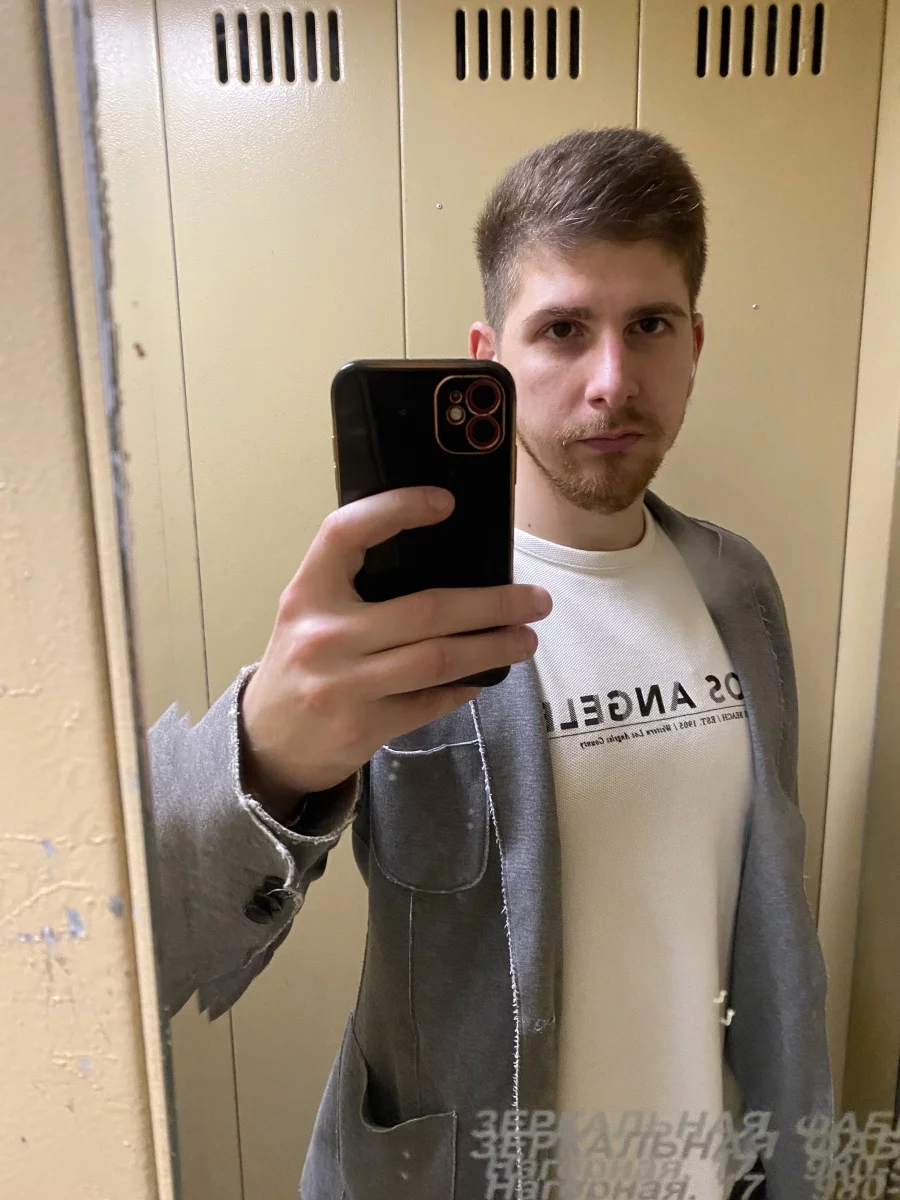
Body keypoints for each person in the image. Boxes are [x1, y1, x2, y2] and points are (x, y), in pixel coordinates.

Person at [148, 128, 833, 1200]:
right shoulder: (400, 609)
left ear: (695, 342)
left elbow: (772, 922)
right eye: (562, 329)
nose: (612, 381)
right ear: (489, 360)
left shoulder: (738, 588)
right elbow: (142, 936)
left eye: (649, 326)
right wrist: (267, 752)